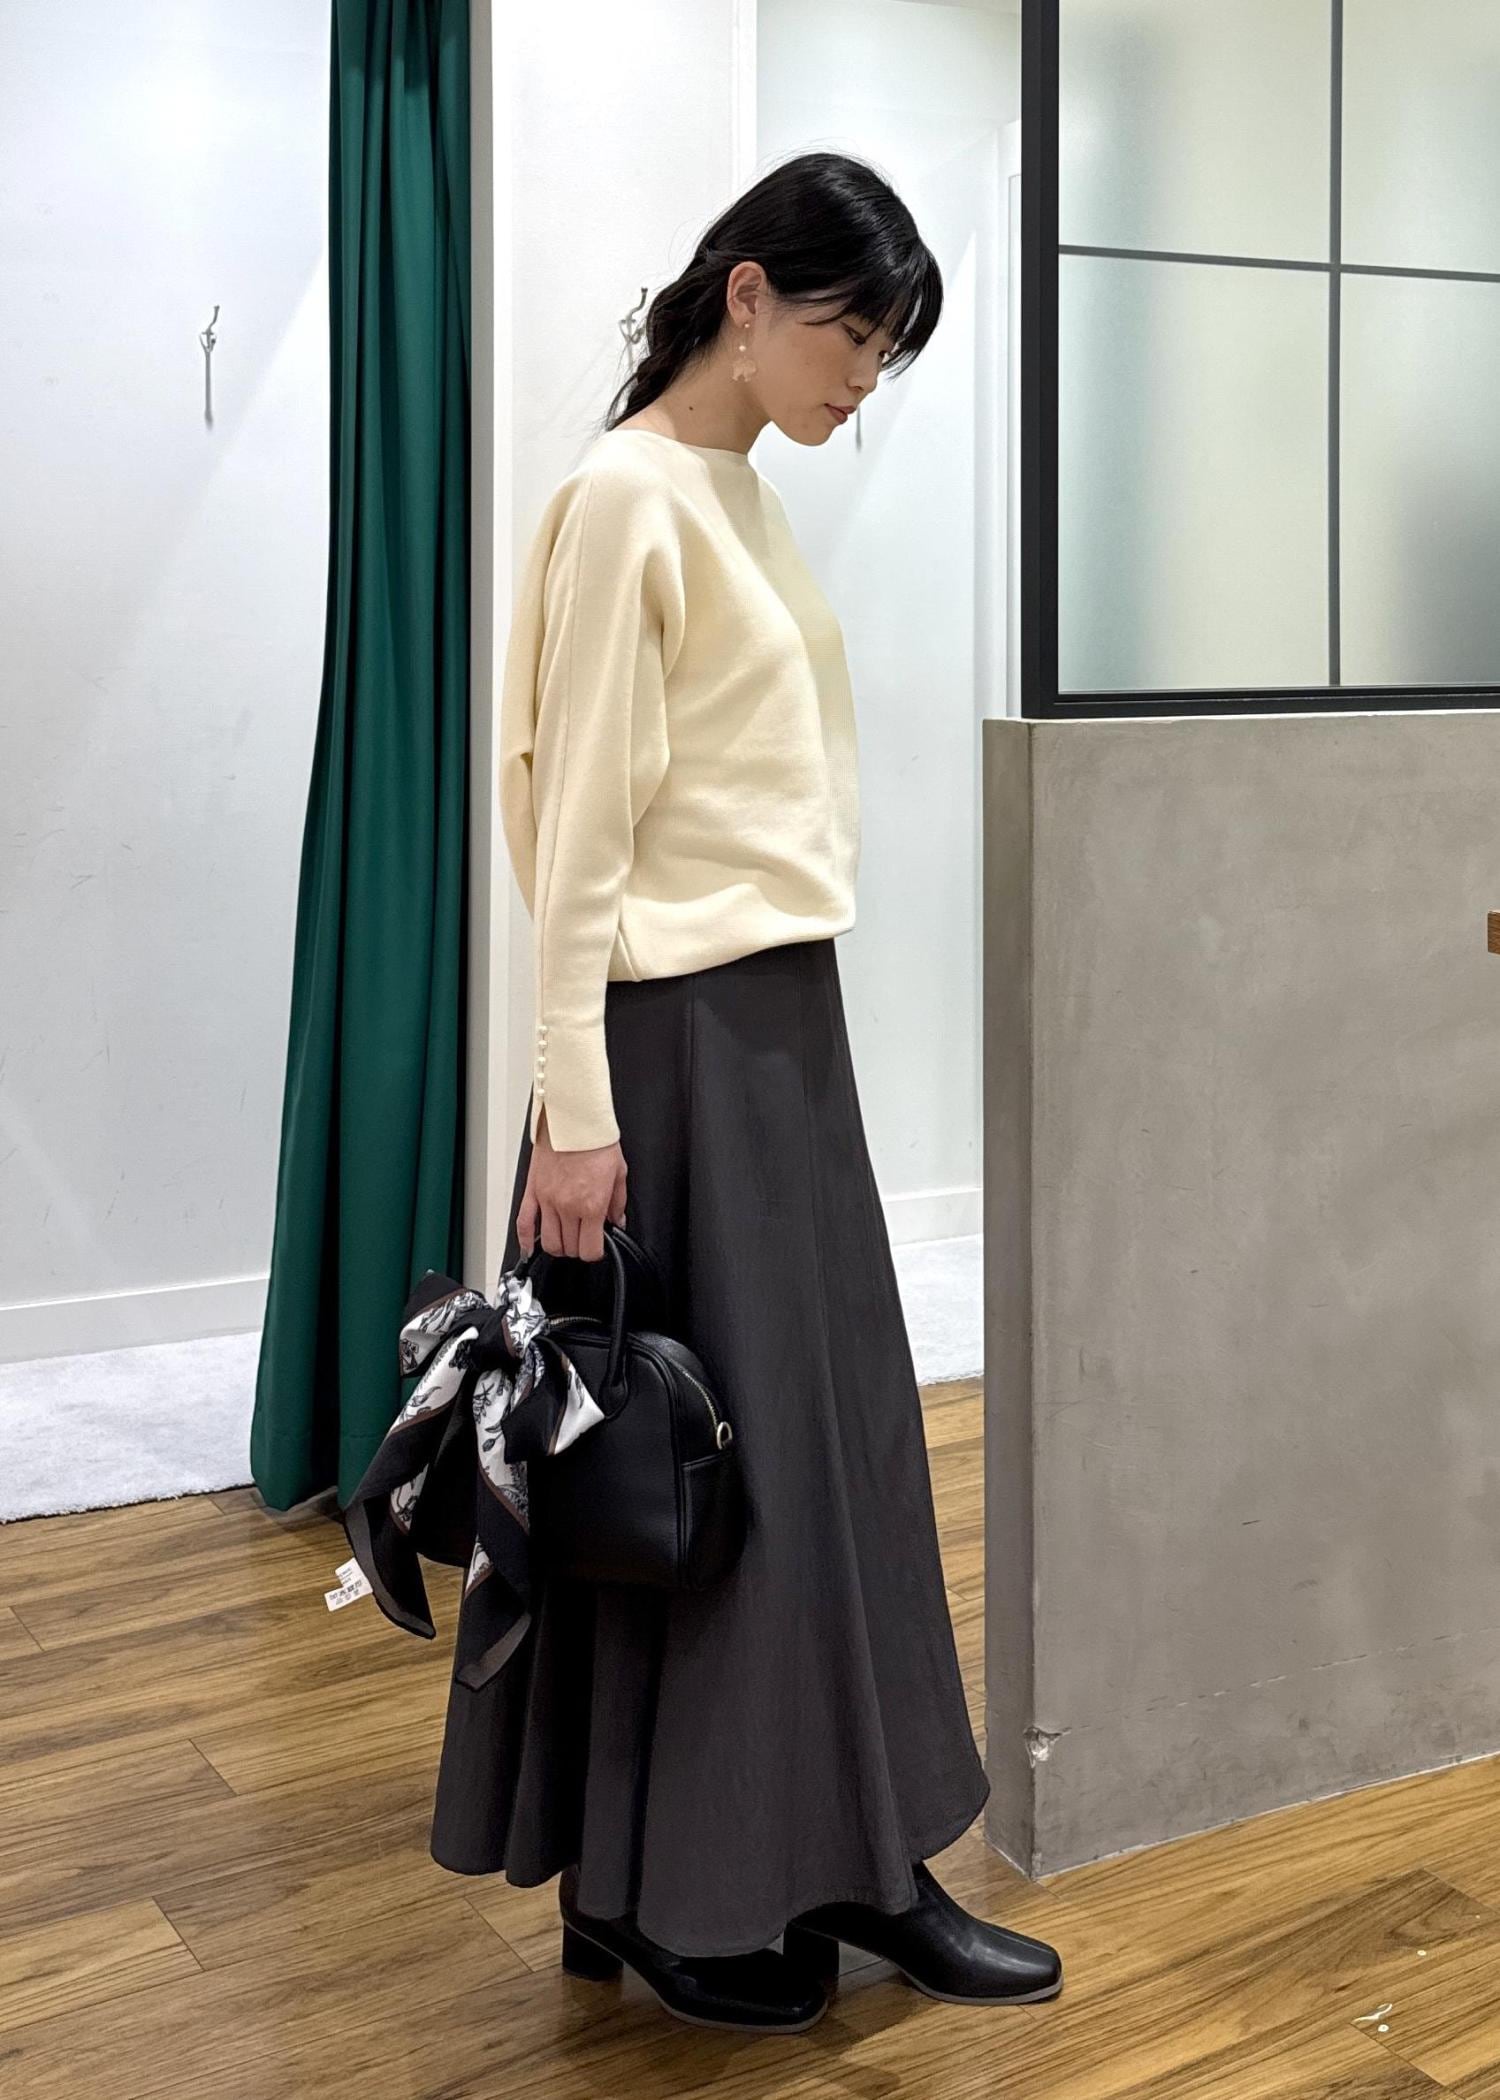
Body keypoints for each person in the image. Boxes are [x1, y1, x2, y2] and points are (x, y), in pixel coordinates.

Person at [484, 149, 1064, 2033]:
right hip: (669, 1048)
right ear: (747, 296)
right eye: (854, 336)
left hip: (778, 1032)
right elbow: (574, 836)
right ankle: (670, 1892)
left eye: (888, 352)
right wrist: (576, 1107)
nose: (865, 380)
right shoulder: (625, 499)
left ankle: (849, 1865)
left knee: (828, 1459)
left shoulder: (734, 491)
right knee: (685, 1476)